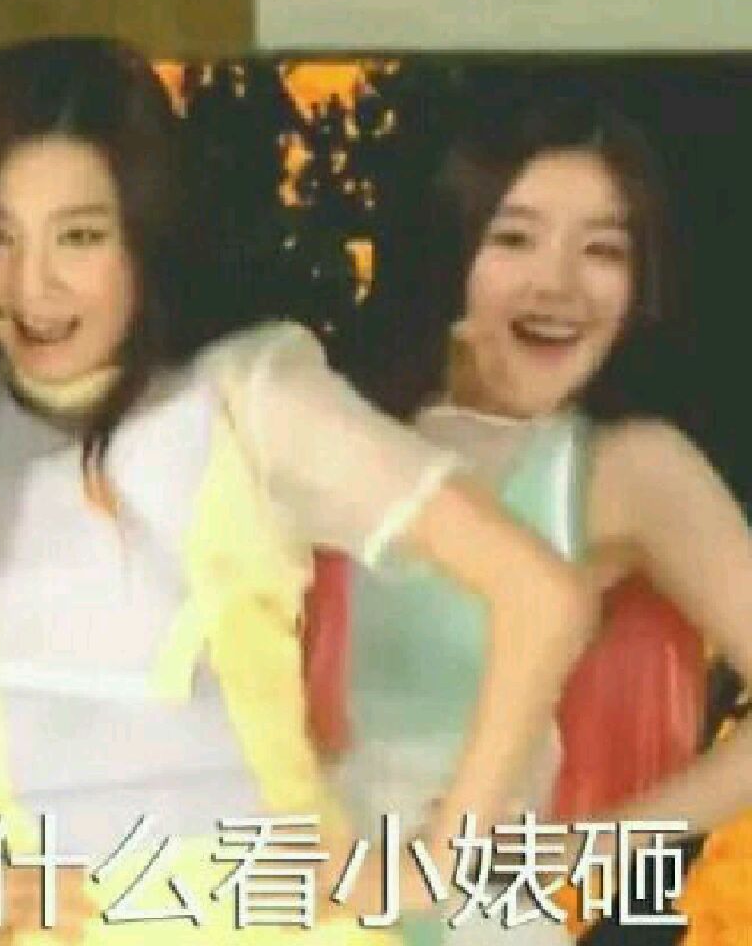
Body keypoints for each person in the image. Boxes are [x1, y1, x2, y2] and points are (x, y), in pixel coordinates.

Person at [0, 40, 592, 946]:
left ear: (146, 235)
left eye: (80, 237)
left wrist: (437, 861)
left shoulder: (249, 397)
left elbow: (543, 596)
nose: (32, 286)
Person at [306, 96, 752, 943]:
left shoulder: (627, 469)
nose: (560, 285)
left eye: (603, 250)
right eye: (515, 239)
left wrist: (595, 845)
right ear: (450, 251)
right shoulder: (343, 425)